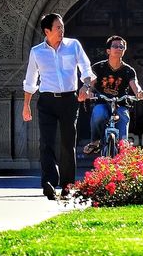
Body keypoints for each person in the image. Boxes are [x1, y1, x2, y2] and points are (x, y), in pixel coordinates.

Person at [22, 13, 93, 200]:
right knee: (46, 142)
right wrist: (26, 105)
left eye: (62, 27)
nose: (62, 30)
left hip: (70, 100)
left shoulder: (73, 45)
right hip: (46, 100)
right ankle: (49, 182)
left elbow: (86, 68)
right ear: (47, 31)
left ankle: (68, 184)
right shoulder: (37, 51)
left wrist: (85, 86)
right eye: (58, 28)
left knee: (67, 142)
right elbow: (30, 80)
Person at [81, 35, 143, 151]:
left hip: (121, 104)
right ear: (108, 50)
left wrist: (139, 92)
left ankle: (123, 145)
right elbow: (91, 84)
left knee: (124, 116)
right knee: (98, 112)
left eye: (122, 47)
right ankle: (95, 142)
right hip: (102, 102)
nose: (119, 48)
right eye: (115, 46)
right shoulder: (99, 67)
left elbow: (135, 85)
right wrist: (89, 92)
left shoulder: (128, 70)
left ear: (124, 50)